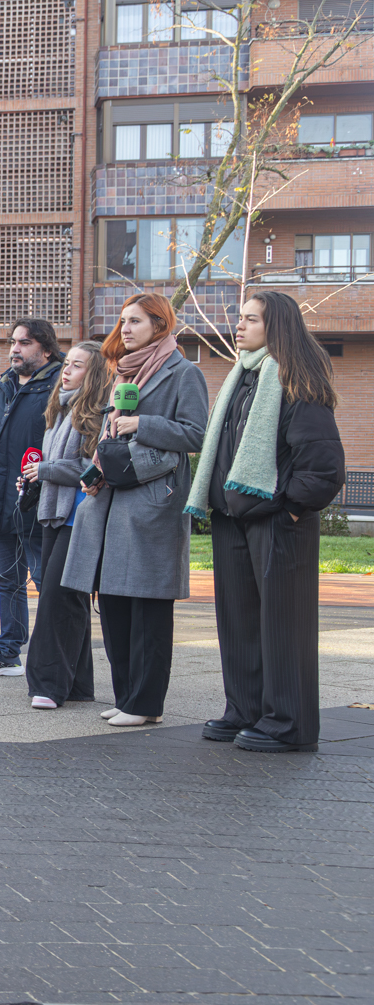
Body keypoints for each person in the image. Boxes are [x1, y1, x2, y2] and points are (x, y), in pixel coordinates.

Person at [188, 291, 345, 754]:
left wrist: (290, 508)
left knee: (283, 625)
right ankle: (246, 711)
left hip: (278, 523)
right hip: (232, 520)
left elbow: (323, 466)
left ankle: (288, 725)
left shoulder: (297, 379)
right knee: (237, 622)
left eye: (250, 319)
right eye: (240, 318)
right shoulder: (242, 376)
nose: (239, 326)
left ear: (276, 327)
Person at [62, 293, 209, 728]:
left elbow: (196, 433)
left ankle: (146, 703)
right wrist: (93, 470)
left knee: (148, 608)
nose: (125, 329)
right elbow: (110, 435)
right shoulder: (120, 375)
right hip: (109, 500)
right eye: (123, 321)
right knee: (114, 605)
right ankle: (127, 697)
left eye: (136, 322)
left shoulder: (184, 373)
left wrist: (143, 424)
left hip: (152, 504)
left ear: (159, 326)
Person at [0, 318, 61, 674]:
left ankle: (53, 658)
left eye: (24, 343)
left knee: (46, 582)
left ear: (46, 349)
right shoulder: (0, 384)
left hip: (38, 501)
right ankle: (8, 652)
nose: (14, 350)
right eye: (13, 342)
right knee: (9, 581)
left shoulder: (59, 386)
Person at [21, 342, 110, 709]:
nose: (67, 371)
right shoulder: (59, 411)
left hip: (81, 515)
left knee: (58, 597)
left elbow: (93, 468)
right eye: (67, 363)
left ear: (94, 374)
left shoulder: (96, 413)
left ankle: (48, 683)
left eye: (77, 365)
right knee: (68, 598)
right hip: (56, 513)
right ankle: (77, 684)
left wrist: (43, 470)